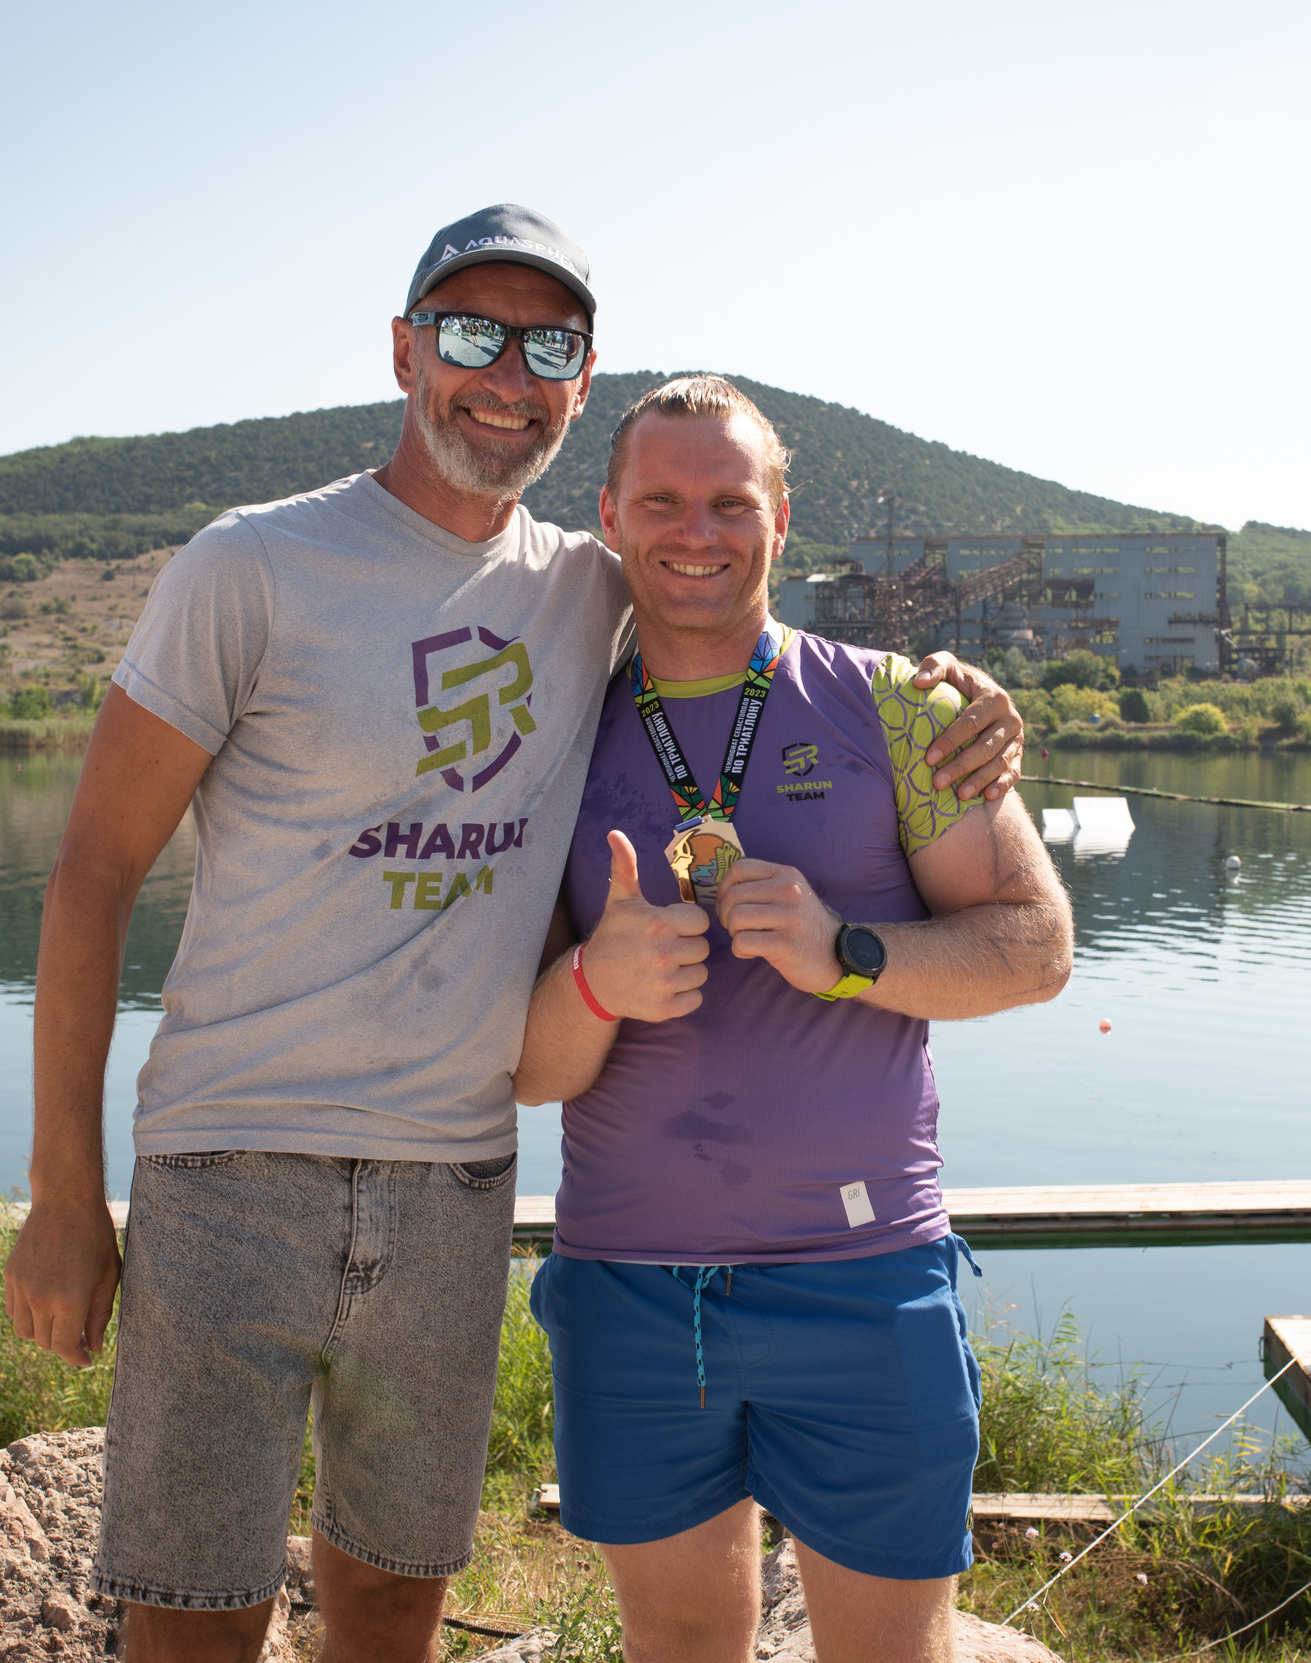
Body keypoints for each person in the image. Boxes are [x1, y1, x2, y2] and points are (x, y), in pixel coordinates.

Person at [0, 206, 1028, 1663]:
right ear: (408, 351)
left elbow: (729, 607)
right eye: (474, 333)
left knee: (391, 1598)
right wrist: (61, 1189)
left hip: (450, 1177)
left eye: (547, 344)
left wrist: (954, 707)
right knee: (191, 1609)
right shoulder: (253, 567)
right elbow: (93, 871)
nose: (505, 373)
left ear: (580, 377)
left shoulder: (587, 585)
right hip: (232, 1161)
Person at [513, 376, 1074, 1663]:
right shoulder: (545, 734)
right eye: (660, 499)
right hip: (629, 1288)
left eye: (727, 500)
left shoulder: (901, 706)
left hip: (862, 1282)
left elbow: (1037, 952)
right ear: (607, 514)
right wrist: (599, 982)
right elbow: (531, 1074)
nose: (693, 529)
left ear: (780, 518)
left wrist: (847, 952)